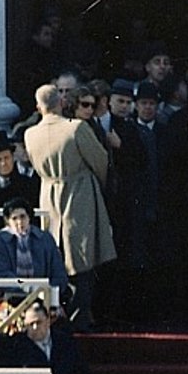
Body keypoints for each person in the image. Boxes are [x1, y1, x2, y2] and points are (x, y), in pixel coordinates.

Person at [23, 83, 115, 322]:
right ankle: (80, 316)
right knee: (82, 255)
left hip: (48, 193)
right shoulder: (77, 128)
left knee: (56, 253)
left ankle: (60, 313)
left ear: (38, 107)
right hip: (79, 192)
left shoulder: (30, 133)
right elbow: (100, 161)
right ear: (62, 103)